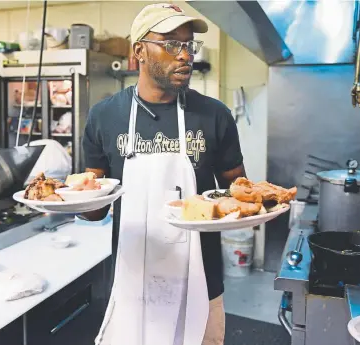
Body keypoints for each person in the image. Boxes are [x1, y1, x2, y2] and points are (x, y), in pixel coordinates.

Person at [80, 3, 246, 345]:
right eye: (172, 44)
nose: (185, 55)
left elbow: (239, 195)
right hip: (132, 280)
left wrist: (253, 203)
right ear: (139, 50)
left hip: (203, 280)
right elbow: (93, 208)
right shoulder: (104, 117)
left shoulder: (214, 115)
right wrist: (74, 199)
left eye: (189, 44)